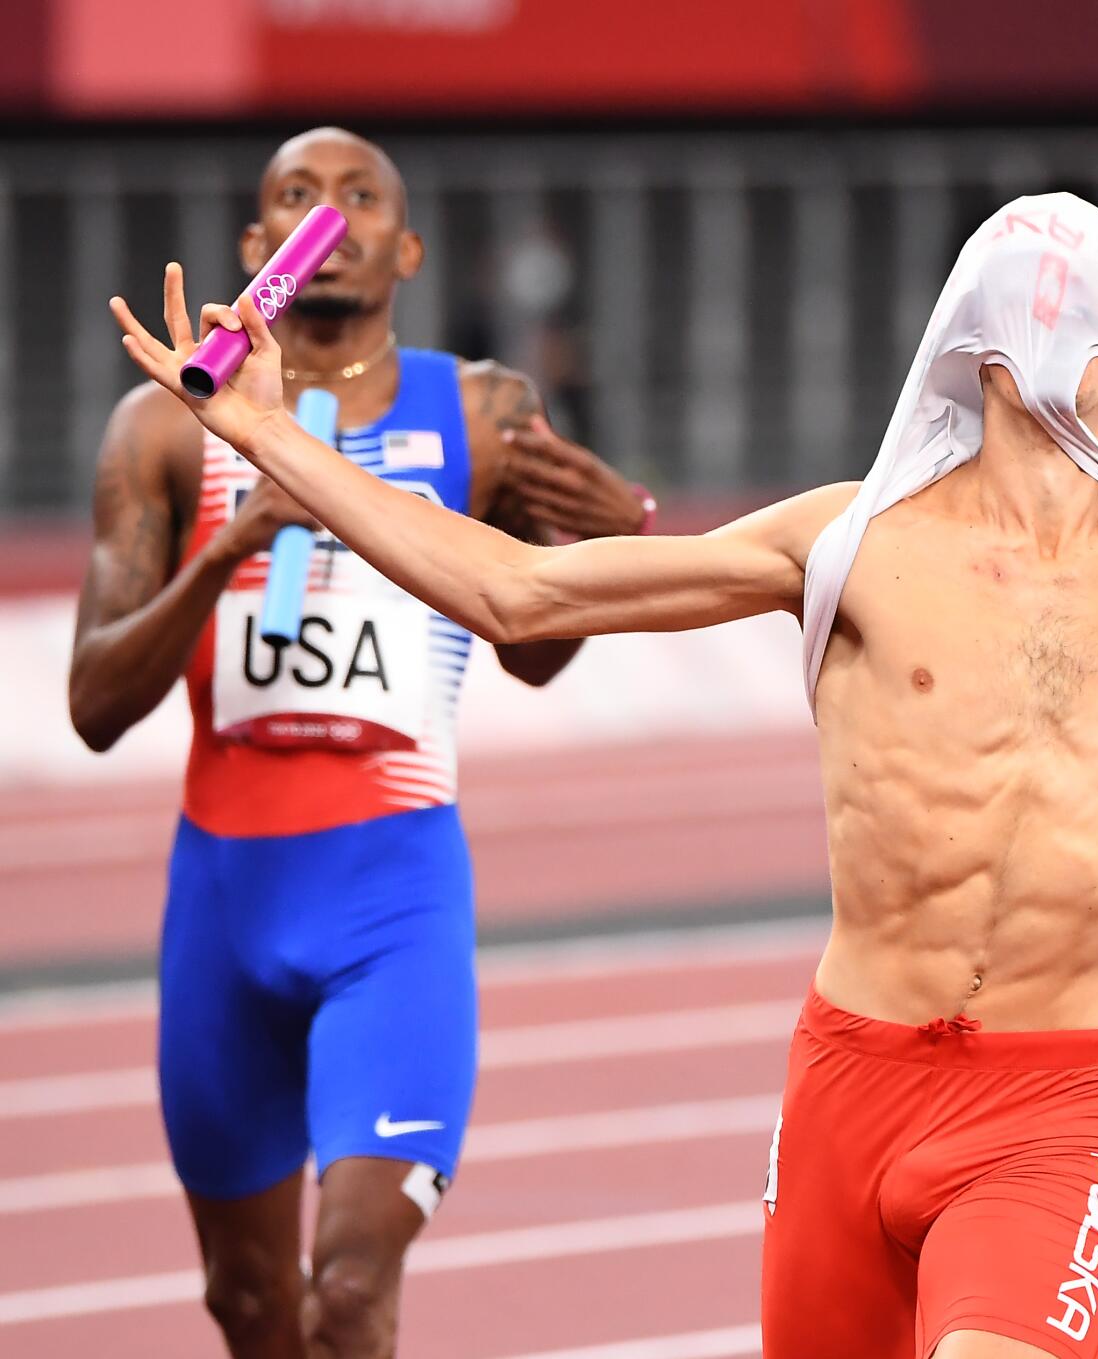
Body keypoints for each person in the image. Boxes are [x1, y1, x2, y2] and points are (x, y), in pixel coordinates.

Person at [113, 193, 1098, 1359]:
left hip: (1056, 1105)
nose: (1078, 335)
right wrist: (263, 432)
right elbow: (518, 592)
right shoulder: (852, 540)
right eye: (1042, 306)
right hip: (853, 1081)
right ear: (991, 361)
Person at [70, 127, 650, 1359]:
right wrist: (224, 552)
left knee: (346, 1289)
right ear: (255, 245)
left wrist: (605, 541)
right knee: (248, 1306)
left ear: (405, 247)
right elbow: (94, 702)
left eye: (358, 197)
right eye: (293, 194)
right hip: (224, 906)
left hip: (391, 903)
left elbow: (536, 653)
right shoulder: (165, 426)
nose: (324, 214)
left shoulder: (485, 415)